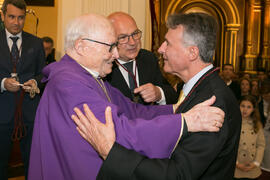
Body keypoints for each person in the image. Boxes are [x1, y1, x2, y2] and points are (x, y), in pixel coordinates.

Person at [28, 13, 225, 180]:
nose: (115, 54)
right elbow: (118, 132)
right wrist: (184, 123)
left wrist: (175, 109)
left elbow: (132, 109)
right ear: (81, 46)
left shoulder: (88, 76)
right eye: (110, 46)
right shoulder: (69, 83)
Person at [0, 0, 45, 179]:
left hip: (30, 114)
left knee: (32, 163)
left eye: (21, 17)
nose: (16, 22)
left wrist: (35, 81)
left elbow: (43, 74)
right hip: (2, 114)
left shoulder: (36, 43)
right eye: (11, 17)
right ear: (2, 16)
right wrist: (3, 83)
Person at [105, 12, 178, 105]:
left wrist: (158, 93)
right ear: (110, 40)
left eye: (135, 33)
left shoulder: (148, 58)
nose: (132, 42)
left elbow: (172, 95)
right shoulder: (104, 66)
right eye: (123, 37)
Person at [234, 95, 265, 180]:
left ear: (253, 109)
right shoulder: (233, 123)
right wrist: (236, 163)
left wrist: (256, 163)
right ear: (238, 106)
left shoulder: (257, 124)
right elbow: (229, 145)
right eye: (242, 106)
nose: (245, 110)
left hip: (252, 166)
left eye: (249, 107)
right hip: (236, 166)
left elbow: (261, 145)